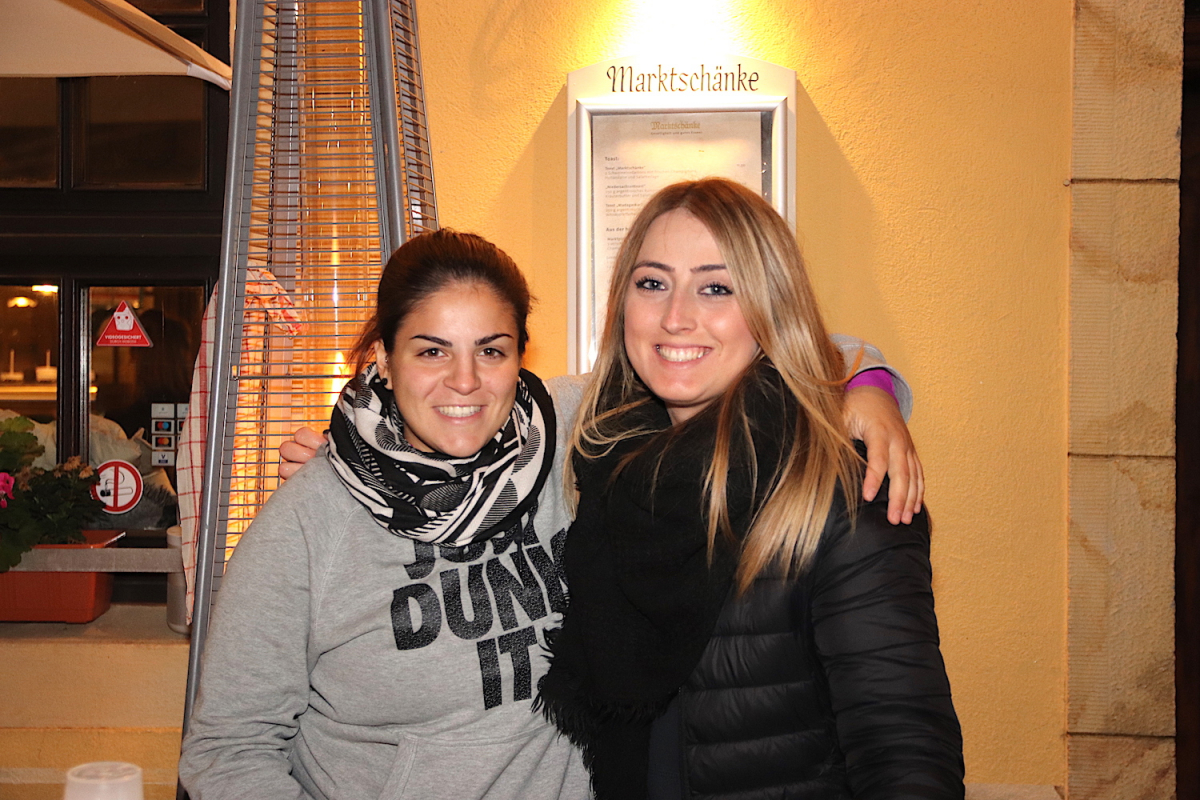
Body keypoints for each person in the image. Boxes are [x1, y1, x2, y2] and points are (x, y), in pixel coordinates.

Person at [233, 223, 921, 797]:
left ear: (520, 357)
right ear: (383, 358)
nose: (464, 381)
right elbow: (230, 750)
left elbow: (747, 349)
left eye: (491, 350)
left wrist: (869, 385)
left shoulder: (568, 427)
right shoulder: (312, 515)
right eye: (431, 350)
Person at [534, 178, 964, 799]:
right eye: (652, 283)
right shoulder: (602, 454)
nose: (676, 317)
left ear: (770, 307)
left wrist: (868, 380)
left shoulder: (843, 490)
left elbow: (903, 749)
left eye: (717, 288)